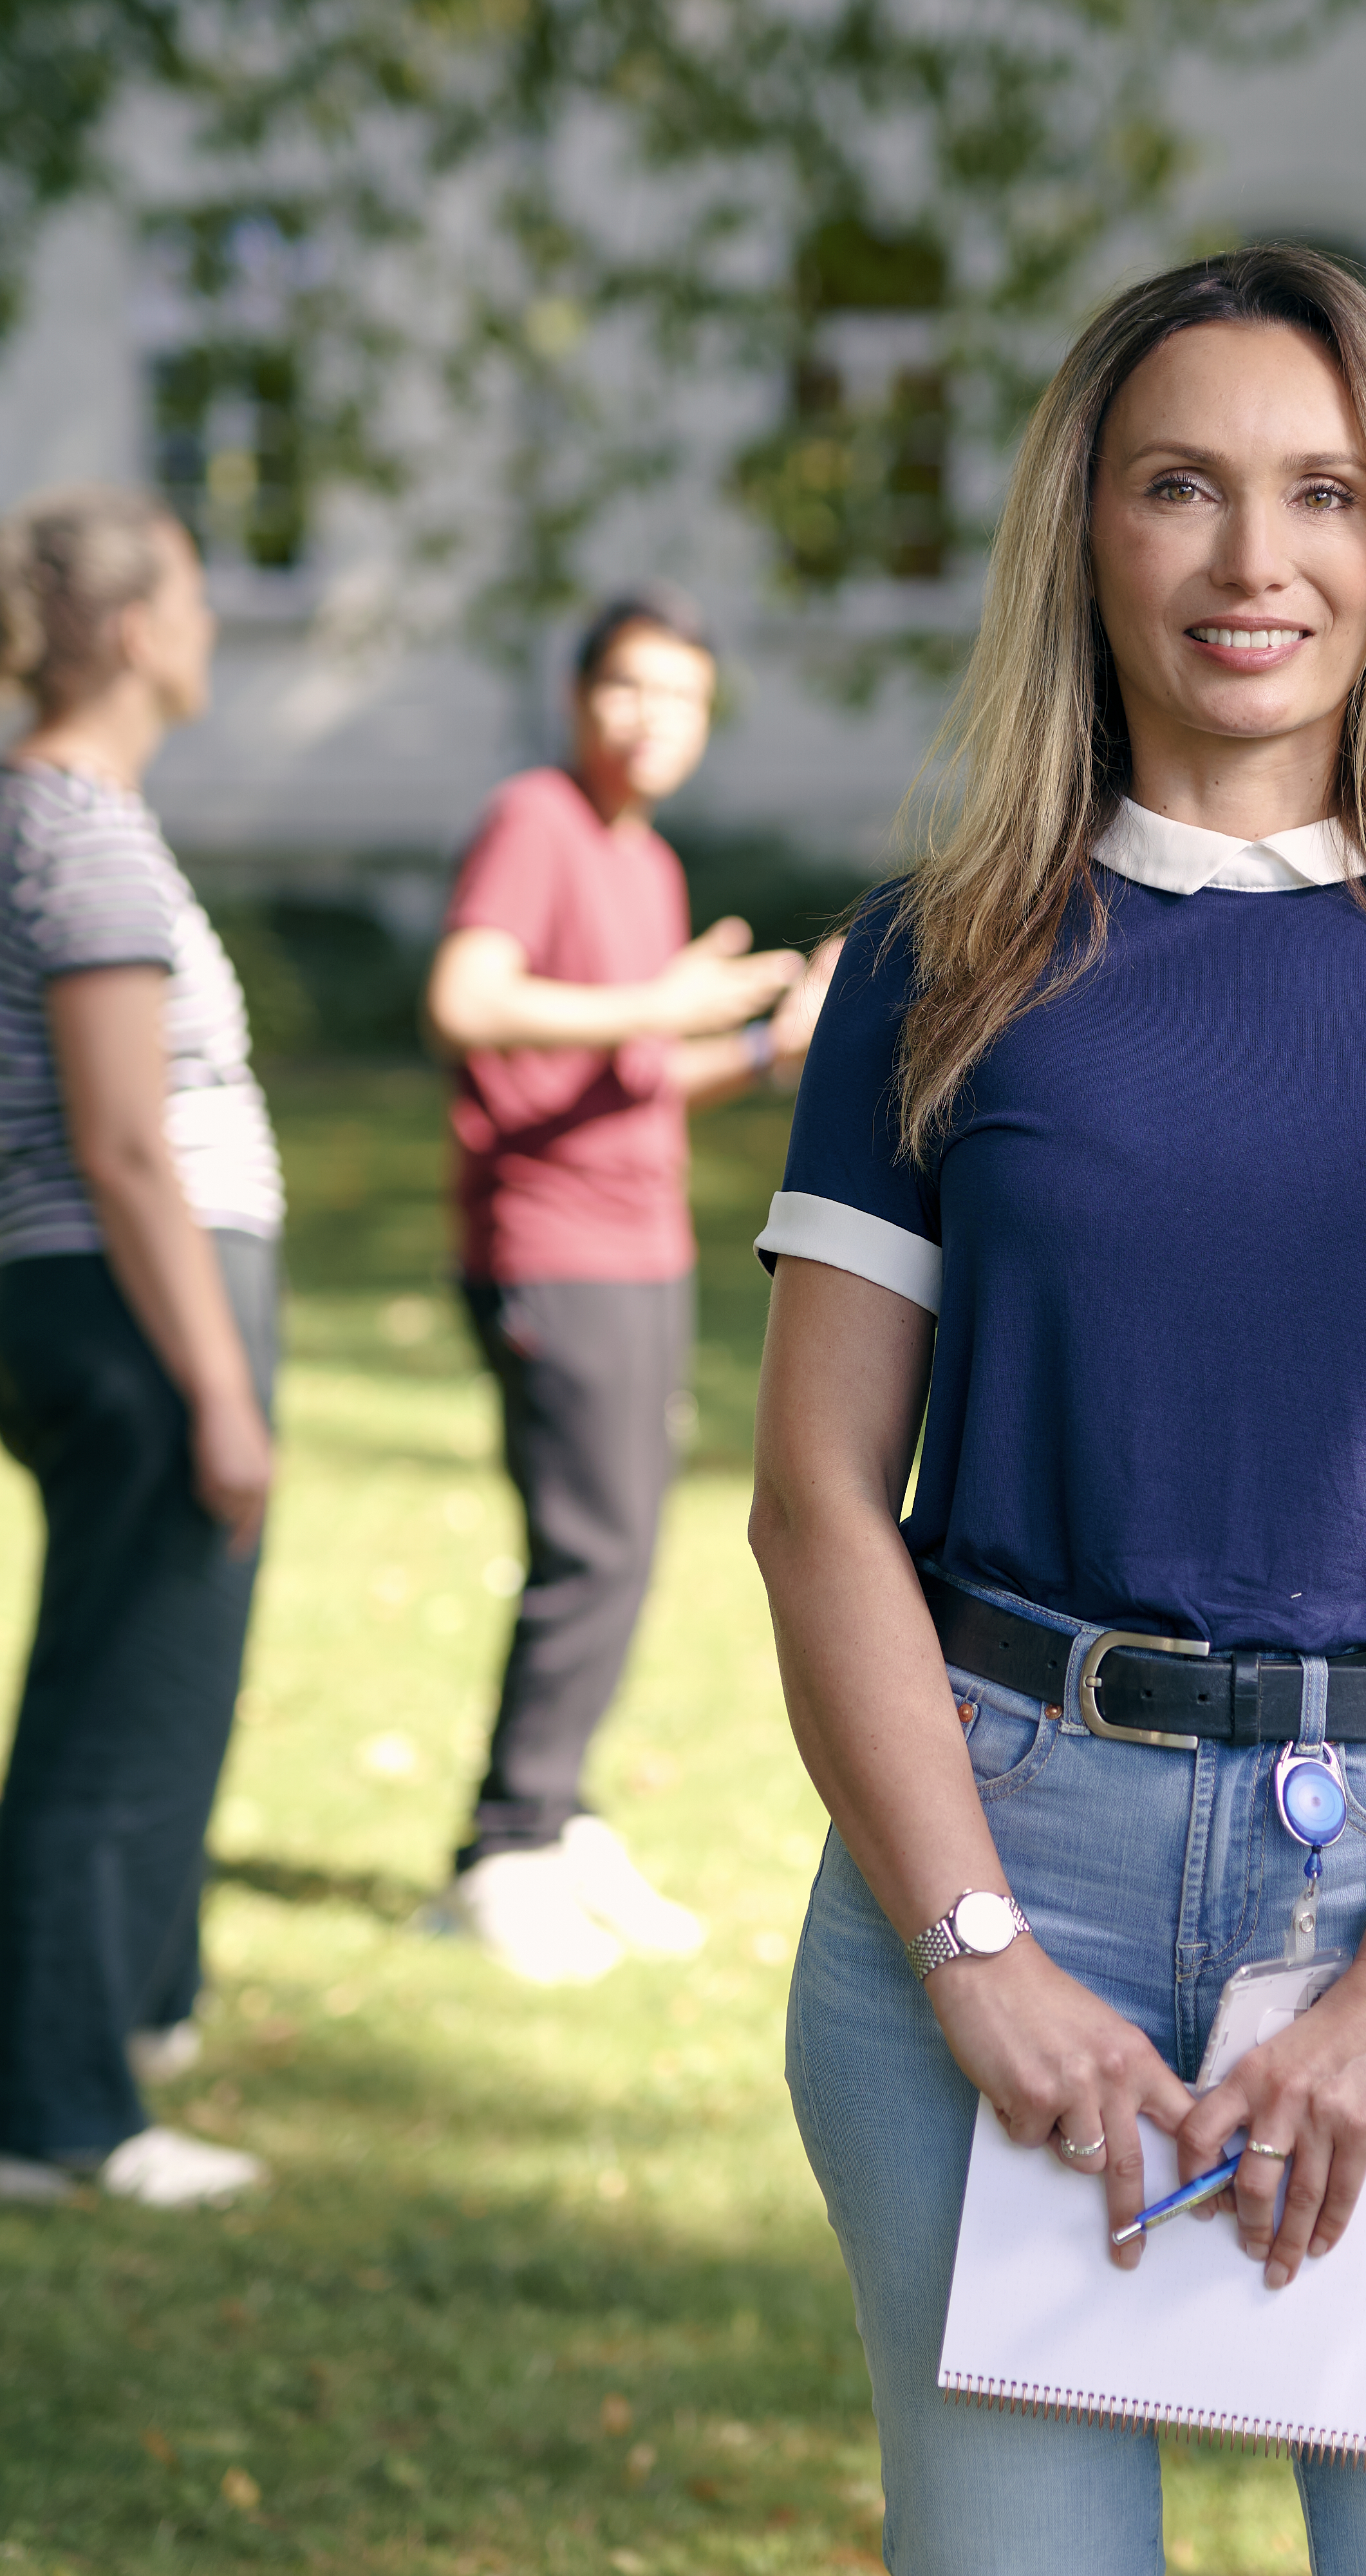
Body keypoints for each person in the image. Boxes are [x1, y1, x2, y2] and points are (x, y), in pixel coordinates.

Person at [749, 247, 1366, 2574]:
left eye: (1321, 496)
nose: (1254, 563)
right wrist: (976, 1954)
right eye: (1182, 489)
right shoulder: (939, 958)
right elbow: (813, 1508)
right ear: (1089, 532)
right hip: (1000, 1873)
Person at [0, 486, 277, 2210]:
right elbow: (124, 1143)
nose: (208, 628)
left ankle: (125, 2022)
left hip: (64, 1289)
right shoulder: (82, 829)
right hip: (132, 1305)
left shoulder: (22, 809)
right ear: (131, 629)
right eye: (193, 598)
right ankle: (61, 2121)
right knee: (110, 1716)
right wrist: (217, 1387)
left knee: (133, 1694)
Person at [420, 587, 840, 1984]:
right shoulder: (535, 822)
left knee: (629, 1545)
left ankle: (567, 1814)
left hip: (642, 1244)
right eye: (629, 688)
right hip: (547, 1247)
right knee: (588, 1551)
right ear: (577, 694)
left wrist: (779, 1049)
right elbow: (469, 1003)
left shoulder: (643, 863)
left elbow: (643, 1085)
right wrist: (657, 1005)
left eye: (683, 699)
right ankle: (506, 1846)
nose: (653, 719)